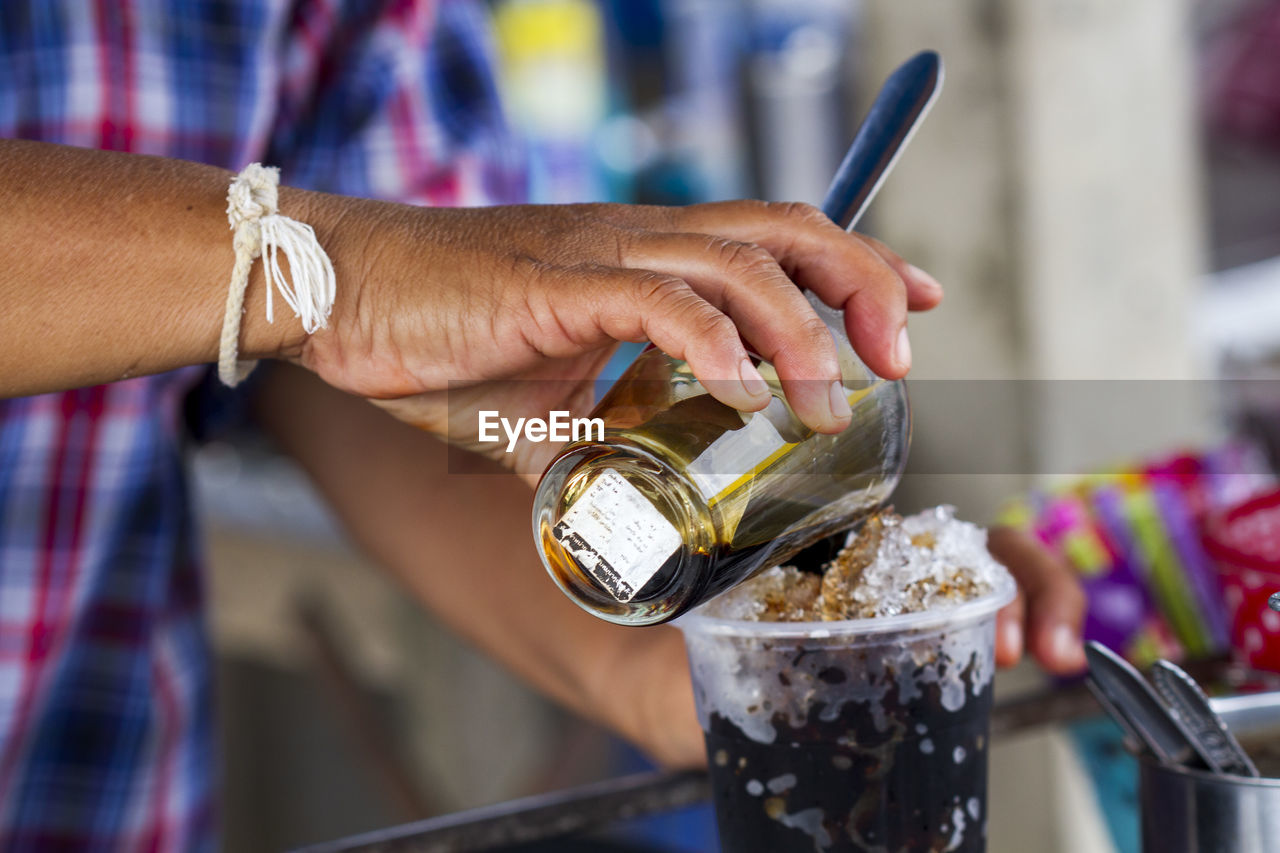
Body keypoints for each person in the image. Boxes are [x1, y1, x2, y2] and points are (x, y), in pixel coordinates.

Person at [0, 1, 1085, 848]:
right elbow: (336, 300)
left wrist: (690, 662)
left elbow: (362, 376)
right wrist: (330, 266)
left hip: (88, 788)